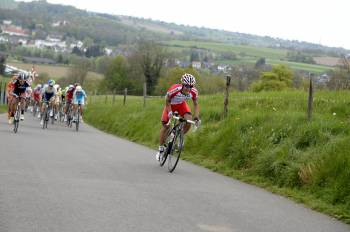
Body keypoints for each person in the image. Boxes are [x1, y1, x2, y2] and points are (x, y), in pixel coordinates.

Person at [156, 73, 200, 161]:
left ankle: (179, 136)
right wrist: (170, 112)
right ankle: (161, 148)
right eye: (187, 86)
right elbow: (167, 100)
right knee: (166, 125)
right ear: (183, 84)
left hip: (181, 105)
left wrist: (196, 117)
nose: (189, 88)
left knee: (189, 120)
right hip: (170, 105)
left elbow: (195, 104)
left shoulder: (193, 92)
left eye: (191, 86)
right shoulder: (175, 89)